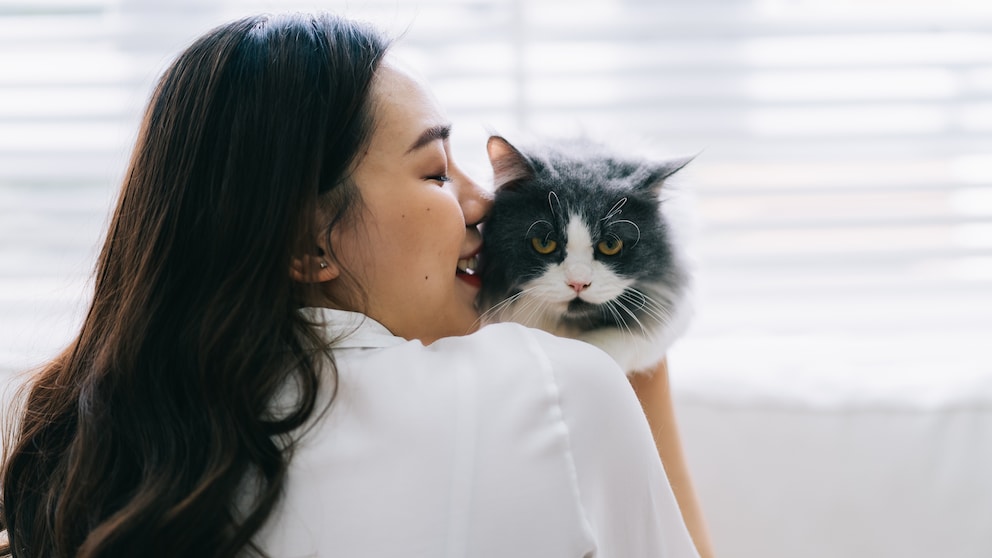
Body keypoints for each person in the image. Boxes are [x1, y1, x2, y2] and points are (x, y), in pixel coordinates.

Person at [0, 12, 712, 558]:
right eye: (436, 172)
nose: (481, 203)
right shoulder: (552, 391)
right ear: (311, 244)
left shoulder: (84, 433)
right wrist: (637, 375)